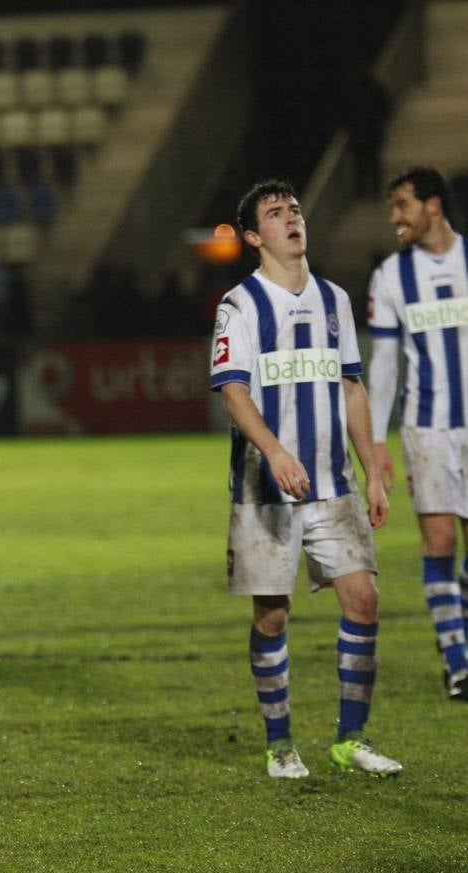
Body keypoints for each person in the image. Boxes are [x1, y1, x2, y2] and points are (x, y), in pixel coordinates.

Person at [210, 178, 400, 779]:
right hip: (265, 488)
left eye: (294, 209)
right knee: (272, 615)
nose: (292, 218)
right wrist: (273, 451)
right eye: (275, 212)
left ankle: (351, 739)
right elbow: (233, 390)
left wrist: (373, 470)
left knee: (363, 600)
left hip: (333, 482)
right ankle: (280, 743)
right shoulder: (239, 305)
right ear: (252, 236)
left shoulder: (335, 300)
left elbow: (351, 386)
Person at [366, 166, 468, 699]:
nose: (394, 218)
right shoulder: (390, 276)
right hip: (427, 429)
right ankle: (458, 663)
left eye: (402, 205)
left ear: (433, 206)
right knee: (440, 541)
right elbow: (384, 363)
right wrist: (377, 440)